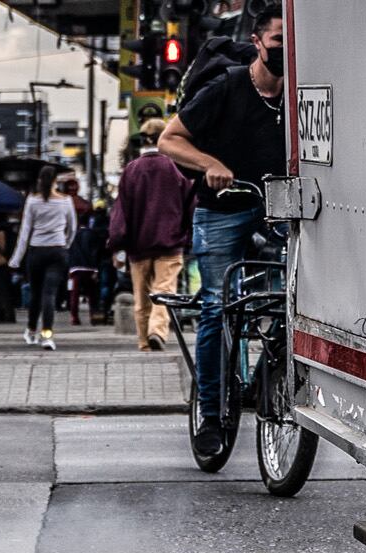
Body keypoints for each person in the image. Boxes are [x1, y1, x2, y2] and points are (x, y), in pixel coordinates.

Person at [160, 2, 286, 426]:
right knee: (216, 305)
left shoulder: (302, 92)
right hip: (222, 210)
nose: (284, 51)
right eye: (277, 41)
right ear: (257, 42)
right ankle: (211, 414)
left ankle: (280, 374)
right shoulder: (227, 87)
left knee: (293, 300)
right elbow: (169, 140)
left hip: (279, 212)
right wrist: (209, 164)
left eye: (292, 44)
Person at [107, 118, 190, 352]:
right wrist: (187, 233)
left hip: (137, 246)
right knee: (165, 290)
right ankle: (157, 331)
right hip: (170, 243)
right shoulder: (177, 167)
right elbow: (190, 204)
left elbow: (120, 211)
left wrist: (117, 245)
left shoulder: (132, 170)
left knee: (140, 298)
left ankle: (143, 341)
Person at [12, 168, 76, 348]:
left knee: (36, 293)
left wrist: (16, 258)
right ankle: (47, 335)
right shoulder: (66, 201)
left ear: (40, 181)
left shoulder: (32, 201)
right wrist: (65, 244)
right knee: (50, 294)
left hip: (36, 251)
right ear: (56, 181)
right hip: (58, 250)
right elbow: (72, 228)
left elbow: (25, 232)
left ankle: (31, 330)